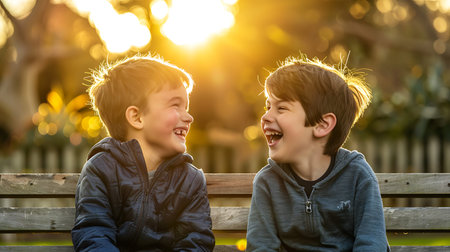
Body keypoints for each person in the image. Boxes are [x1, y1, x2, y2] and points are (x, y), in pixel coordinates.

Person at [246, 55, 390, 251]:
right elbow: (262, 247)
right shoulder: (268, 182)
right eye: (268, 106)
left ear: (322, 125)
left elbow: (372, 244)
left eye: (281, 108)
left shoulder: (357, 175)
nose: (265, 116)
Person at [71, 55, 215, 251]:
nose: (189, 117)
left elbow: (196, 240)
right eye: (175, 105)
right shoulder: (101, 169)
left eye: (186, 107)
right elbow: (93, 232)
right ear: (137, 117)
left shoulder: (189, 179)